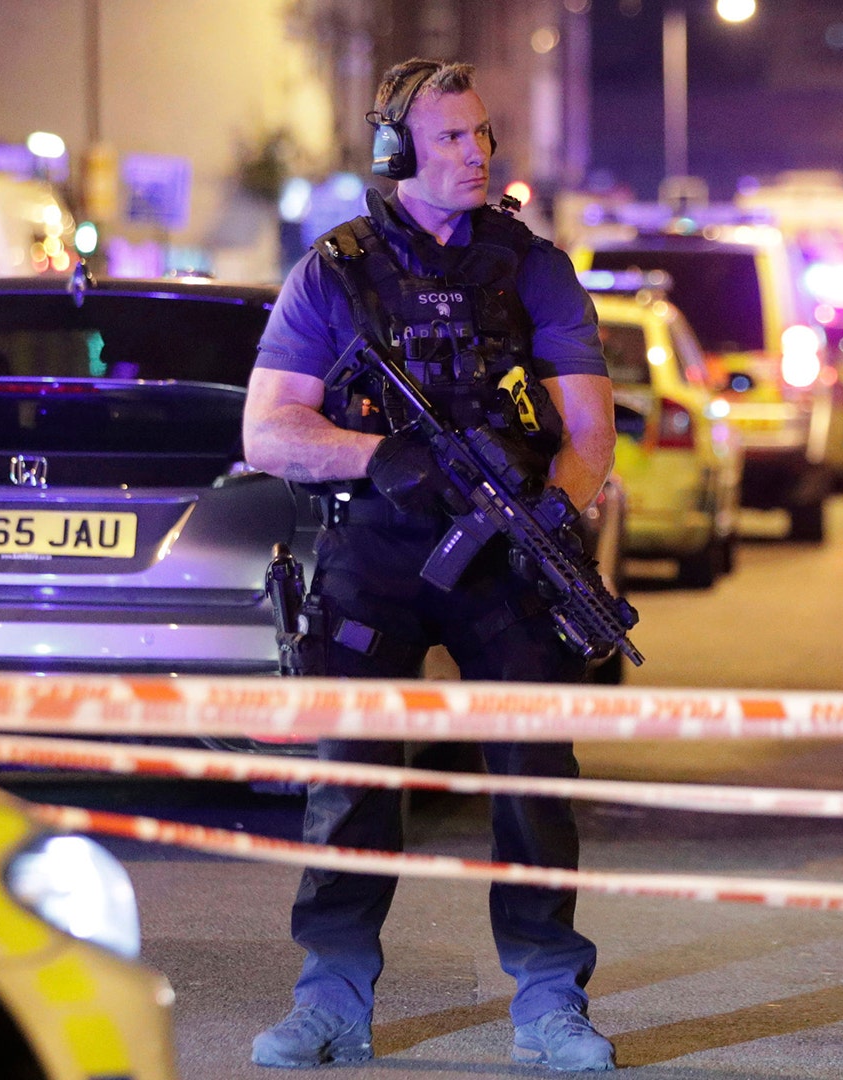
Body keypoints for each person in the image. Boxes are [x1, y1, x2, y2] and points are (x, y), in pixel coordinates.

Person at [240, 58, 619, 1072]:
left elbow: (589, 432)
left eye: (483, 135)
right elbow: (268, 431)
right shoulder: (337, 268)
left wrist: (552, 510)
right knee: (352, 776)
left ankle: (549, 1002)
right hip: (380, 544)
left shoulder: (532, 265)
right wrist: (378, 457)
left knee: (533, 775)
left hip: (506, 553)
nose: (477, 154)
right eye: (452, 138)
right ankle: (330, 999)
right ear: (399, 151)